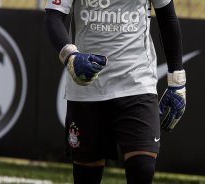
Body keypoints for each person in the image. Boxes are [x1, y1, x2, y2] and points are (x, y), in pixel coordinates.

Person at [44, 0, 186, 183]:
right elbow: (53, 17)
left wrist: (177, 81)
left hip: (137, 82)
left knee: (142, 168)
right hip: (87, 85)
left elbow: (167, 16)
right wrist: (70, 56)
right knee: (86, 178)